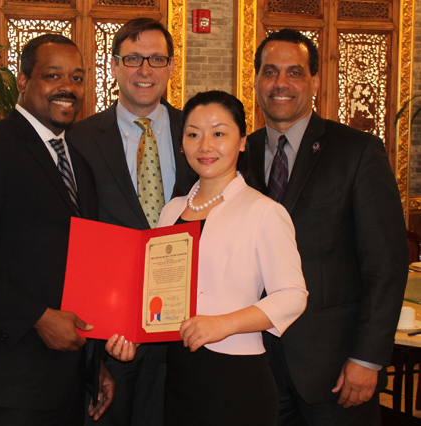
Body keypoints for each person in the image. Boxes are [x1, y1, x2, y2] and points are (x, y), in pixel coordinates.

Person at [0, 34, 114, 426]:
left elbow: (81, 266)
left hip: (66, 380)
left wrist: (92, 365)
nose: (68, 87)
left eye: (78, 78)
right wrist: (38, 317)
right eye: (53, 75)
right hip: (8, 381)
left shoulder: (78, 163)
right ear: (22, 80)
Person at [246, 28, 409, 425]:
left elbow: (385, 264)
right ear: (255, 81)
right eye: (270, 72)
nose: (280, 83)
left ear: (315, 81)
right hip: (255, 367)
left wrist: (367, 357)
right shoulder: (238, 154)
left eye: (294, 72)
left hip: (335, 370)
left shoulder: (357, 151)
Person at [68, 18, 196, 426]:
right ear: (115, 65)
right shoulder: (80, 139)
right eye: (134, 59)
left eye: (157, 59)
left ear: (172, 67)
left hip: (186, 338)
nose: (146, 70)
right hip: (109, 339)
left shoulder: (195, 135)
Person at [155, 90, 308, 426]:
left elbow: (293, 297)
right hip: (177, 374)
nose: (205, 145)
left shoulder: (264, 212)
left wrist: (223, 324)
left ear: (242, 141)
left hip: (235, 377)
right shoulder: (172, 210)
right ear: (181, 144)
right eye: (193, 134)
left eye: (219, 133)